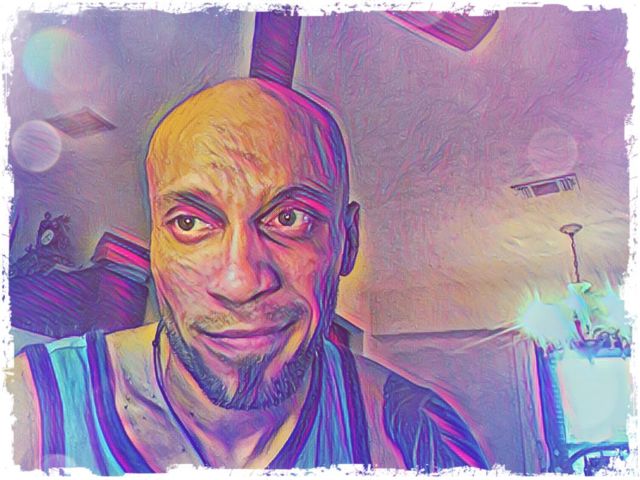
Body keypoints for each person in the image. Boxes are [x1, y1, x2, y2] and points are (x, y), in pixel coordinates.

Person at [10, 78, 489, 474]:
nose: (240, 282)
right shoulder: (30, 409)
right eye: (190, 223)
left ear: (347, 241)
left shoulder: (417, 440)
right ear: (155, 248)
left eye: (290, 218)